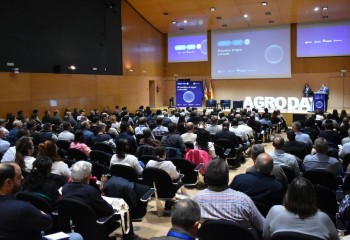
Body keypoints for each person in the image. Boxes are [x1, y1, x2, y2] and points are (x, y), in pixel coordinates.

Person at [193, 159, 264, 235]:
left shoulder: (197, 199)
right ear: (227, 178)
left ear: (206, 179)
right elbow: (262, 227)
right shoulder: (243, 200)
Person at [263, 177, 339, 240]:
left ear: (288, 195)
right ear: (312, 197)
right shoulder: (323, 218)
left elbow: (265, 237)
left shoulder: (275, 211)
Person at [0, 162, 53, 239]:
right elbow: (48, 223)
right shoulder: (22, 208)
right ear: (8, 182)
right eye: (18, 177)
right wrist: (40, 213)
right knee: (75, 236)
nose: (22, 178)